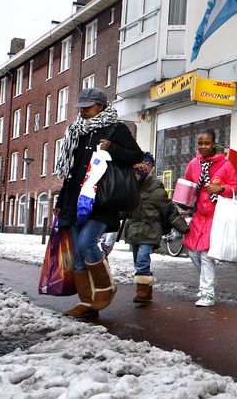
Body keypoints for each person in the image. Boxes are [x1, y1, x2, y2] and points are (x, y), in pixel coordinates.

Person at [54, 87, 143, 318]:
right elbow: (71, 171)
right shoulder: (76, 132)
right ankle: (88, 302)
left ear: (101, 106)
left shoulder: (116, 129)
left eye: (88, 106)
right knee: (76, 253)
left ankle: (105, 288)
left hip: (101, 200)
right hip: (75, 199)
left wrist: (112, 148)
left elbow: (136, 156)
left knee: (86, 244)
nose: (83, 110)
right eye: (81, 107)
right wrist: (62, 200)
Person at [182, 129, 237, 307]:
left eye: (207, 143)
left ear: (214, 144)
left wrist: (221, 189)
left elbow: (235, 188)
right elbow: (189, 187)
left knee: (206, 256)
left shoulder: (226, 165)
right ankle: (209, 282)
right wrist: (182, 203)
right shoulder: (193, 164)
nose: (203, 146)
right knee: (193, 252)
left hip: (217, 216)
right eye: (200, 143)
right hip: (198, 215)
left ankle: (207, 294)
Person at [123, 153, 189, 303]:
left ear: (144, 172)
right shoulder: (130, 189)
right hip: (134, 230)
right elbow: (124, 210)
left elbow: (169, 210)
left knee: (142, 259)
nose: (133, 176)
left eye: (136, 173)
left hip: (150, 230)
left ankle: (142, 292)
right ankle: (147, 289)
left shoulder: (155, 190)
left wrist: (182, 227)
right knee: (138, 262)